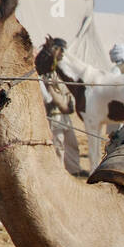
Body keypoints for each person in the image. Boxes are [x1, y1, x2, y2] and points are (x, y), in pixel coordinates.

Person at [35, 38, 85, 177]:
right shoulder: (44, 74)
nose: (62, 53)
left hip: (65, 115)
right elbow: (48, 97)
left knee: (72, 144)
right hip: (54, 114)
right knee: (59, 145)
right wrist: (61, 103)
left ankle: (74, 171)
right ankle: (59, 174)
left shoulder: (60, 71)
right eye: (60, 50)